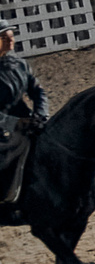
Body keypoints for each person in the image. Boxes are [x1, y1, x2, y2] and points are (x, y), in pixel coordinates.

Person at [0, 26, 51, 225]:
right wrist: (13, 123)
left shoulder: (19, 64)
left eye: (11, 37)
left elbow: (38, 92)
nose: (10, 40)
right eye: (4, 37)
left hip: (26, 121)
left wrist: (40, 116)